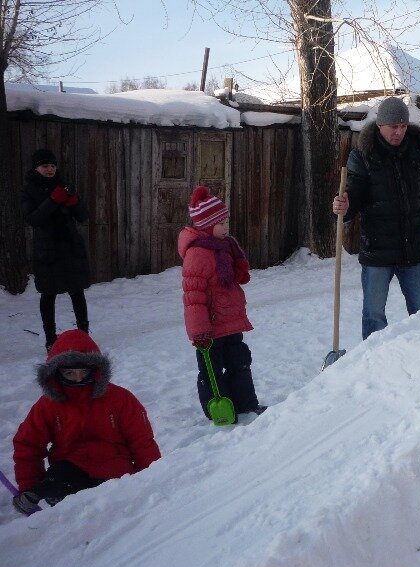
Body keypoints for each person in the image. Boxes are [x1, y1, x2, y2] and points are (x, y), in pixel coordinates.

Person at [332, 96, 420, 340]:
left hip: (413, 250)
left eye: (403, 126)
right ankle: (374, 363)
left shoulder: (418, 154)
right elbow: (355, 195)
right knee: (374, 315)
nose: (399, 132)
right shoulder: (363, 156)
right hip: (378, 252)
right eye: (394, 126)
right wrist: (345, 205)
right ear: (381, 125)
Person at [11, 329, 161, 516]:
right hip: (68, 471)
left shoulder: (120, 398)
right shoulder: (48, 405)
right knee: (63, 492)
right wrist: (29, 487)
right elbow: (28, 445)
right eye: (70, 373)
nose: (78, 378)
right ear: (57, 373)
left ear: (96, 370)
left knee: (108, 509)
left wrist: (152, 480)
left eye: (83, 372)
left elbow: (142, 442)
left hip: (114, 472)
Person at [179, 186, 266, 422]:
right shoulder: (197, 255)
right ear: (207, 225)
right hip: (211, 330)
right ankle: (221, 411)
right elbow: (193, 299)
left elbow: (237, 279)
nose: (226, 227)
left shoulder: (225, 248)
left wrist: (239, 261)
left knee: (240, 364)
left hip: (231, 322)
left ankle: (247, 405)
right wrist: (199, 332)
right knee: (211, 372)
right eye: (221, 223)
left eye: (227, 222)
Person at [20, 149, 91, 352]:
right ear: (36, 168)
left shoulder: (65, 185)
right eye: (45, 166)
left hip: (70, 246)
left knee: (77, 291)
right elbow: (33, 219)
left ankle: (84, 334)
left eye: (52, 165)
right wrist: (53, 200)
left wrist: (74, 201)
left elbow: (83, 216)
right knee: (48, 294)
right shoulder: (29, 190)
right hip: (47, 249)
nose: (49, 169)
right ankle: (50, 339)